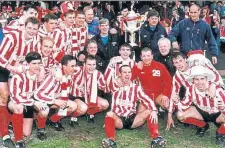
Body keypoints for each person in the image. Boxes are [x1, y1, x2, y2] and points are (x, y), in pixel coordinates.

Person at [102, 65, 167, 148]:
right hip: (118, 119)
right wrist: (115, 77)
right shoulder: (115, 85)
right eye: (124, 72)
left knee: (150, 111)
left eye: (129, 72)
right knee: (109, 114)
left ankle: (156, 138)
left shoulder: (136, 88)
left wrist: (154, 110)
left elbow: (147, 99)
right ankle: (111, 140)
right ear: (120, 74)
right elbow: (105, 82)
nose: (127, 74)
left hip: (132, 120)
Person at [0, 17, 40, 147]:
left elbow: (35, 60)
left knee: (18, 102)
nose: (32, 31)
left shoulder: (35, 40)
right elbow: (0, 57)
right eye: (29, 28)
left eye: (35, 29)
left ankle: (10, 122)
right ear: (24, 27)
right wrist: (12, 68)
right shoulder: (13, 37)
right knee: (4, 97)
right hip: (4, 68)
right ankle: (5, 134)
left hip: (19, 71)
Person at [166, 51, 224, 130]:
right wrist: (169, 115)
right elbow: (174, 94)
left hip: (213, 99)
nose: (179, 64)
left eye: (180, 61)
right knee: (180, 114)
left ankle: (220, 126)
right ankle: (203, 125)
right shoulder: (177, 77)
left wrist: (213, 85)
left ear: (185, 59)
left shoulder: (197, 65)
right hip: (198, 103)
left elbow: (215, 74)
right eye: (176, 62)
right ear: (174, 64)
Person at [172, 65, 225, 146]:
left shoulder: (218, 90)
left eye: (202, 78)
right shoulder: (190, 89)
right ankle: (203, 125)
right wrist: (176, 101)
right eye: (196, 79)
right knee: (180, 115)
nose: (199, 82)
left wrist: (222, 107)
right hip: (202, 113)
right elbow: (183, 106)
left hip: (217, 115)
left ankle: (220, 133)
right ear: (193, 80)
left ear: (207, 79)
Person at [8, 52, 49, 147]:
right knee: (18, 107)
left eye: (39, 63)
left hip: (30, 106)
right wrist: (34, 102)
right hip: (16, 103)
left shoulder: (41, 77)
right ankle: (19, 140)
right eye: (34, 63)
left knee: (27, 132)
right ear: (27, 64)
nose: (37, 66)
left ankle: (41, 129)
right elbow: (16, 97)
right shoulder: (18, 77)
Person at [34, 55, 77, 131]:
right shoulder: (54, 76)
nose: (75, 68)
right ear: (64, 67)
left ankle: (52, 120)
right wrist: (55, 101)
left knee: (72, 106)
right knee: (44, 111)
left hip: (53, 100)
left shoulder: (69, 76)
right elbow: (38, 94)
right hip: (40, 100)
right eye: (72, 66)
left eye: (75, 66)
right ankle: (41, 128)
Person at [81, 55, 109, 122]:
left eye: (93, 64)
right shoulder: (78, 71)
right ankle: (81, 111)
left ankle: (89, 112)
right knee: (82, 108)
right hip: (79, 97)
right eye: (89, 64)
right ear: (84, 64)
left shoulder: (98, 74)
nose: (91, 67)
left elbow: (103, 87)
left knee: (105, 104)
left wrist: (109, 83)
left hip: (90, 96)